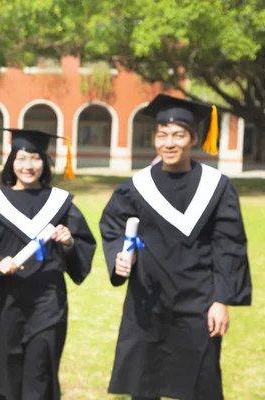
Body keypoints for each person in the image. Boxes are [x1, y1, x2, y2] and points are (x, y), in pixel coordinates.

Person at [99, 94, 252, 400]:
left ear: (193, 138)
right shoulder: (137, 186)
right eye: (162, 135)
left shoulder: (216, 187)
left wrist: (221, 299)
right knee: (144, 384)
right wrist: (119, 256)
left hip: (198, 302)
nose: (169, 143)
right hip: (147, 301)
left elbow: (229, 244)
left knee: (199, 384)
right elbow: (113, 226)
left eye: (178, 135)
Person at [0, 128, 96, 400]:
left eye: (35, 158)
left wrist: (69, 243)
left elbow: (82, 249)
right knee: (3, 373)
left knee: (41, 372)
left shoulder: (62, 204)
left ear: (45, 163)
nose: (28, 166)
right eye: (22, 158)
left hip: (47, 302)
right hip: (6, 303)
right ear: (12, 161)